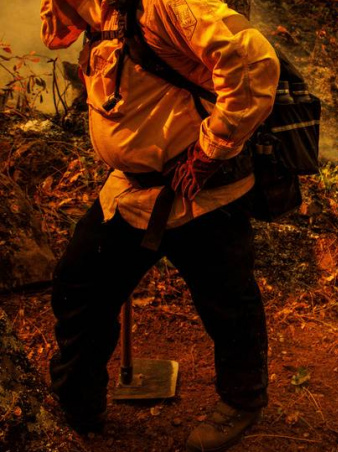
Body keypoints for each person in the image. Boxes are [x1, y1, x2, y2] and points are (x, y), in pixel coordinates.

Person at [40, 0, 280, 450]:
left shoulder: (168, 5)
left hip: (200, 194)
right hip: (129, 192)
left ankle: (241, 402)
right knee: (79, 288)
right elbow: (57, 35)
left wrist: (212, 149)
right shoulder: (98, 7)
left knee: (228, 304)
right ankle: (77, 403)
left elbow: (253, 58)